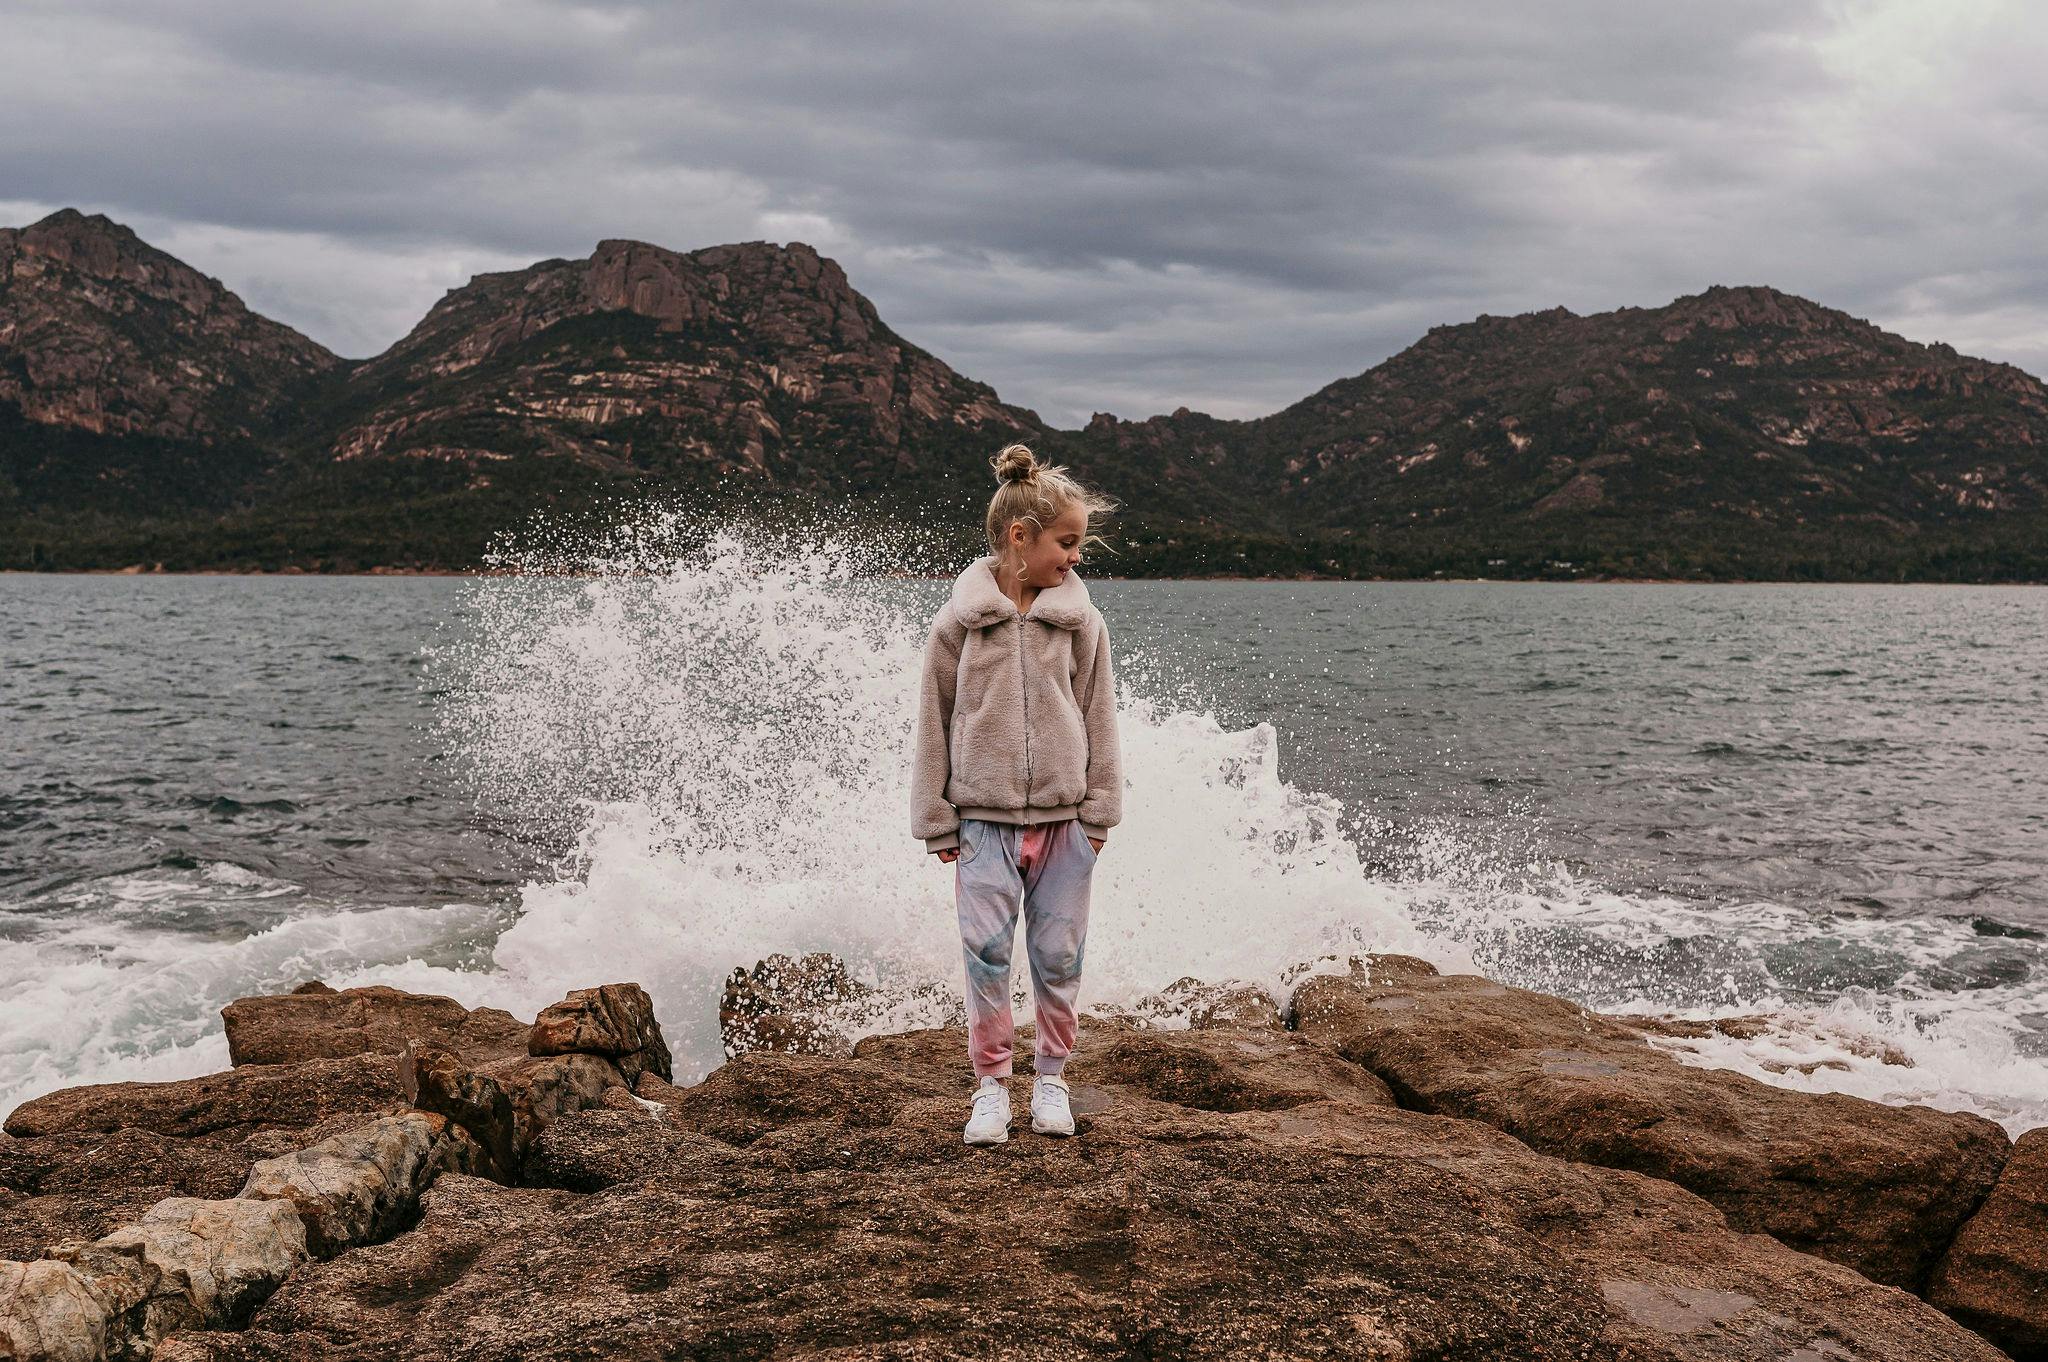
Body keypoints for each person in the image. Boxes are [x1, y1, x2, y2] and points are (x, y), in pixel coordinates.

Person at [911, 442, 1124, 1146]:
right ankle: (992, 1089)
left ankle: (1053, 1080)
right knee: (985, 952)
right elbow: (934, 723)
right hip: (981, 823)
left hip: (1066, 823)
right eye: (1066, 543)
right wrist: (937, 820)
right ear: (1019, 538)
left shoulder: (1082, 624)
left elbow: (1099, 715)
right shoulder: (957, 626)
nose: (1074, 558)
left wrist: (1098, 816)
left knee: (1060, 957)